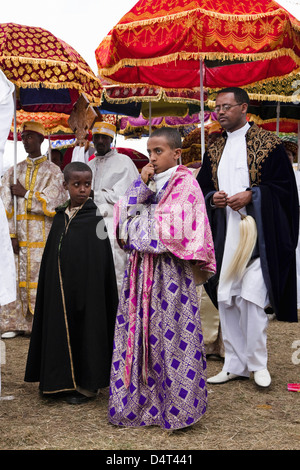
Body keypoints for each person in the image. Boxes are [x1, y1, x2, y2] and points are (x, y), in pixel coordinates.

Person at [108, 127, 216, 430]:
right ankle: (139, 406)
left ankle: (176, 407)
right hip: (139, 274)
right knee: (139, 333)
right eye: (149, 151)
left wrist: (134, 223)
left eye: (159, 151)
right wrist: (140, 188)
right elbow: (120, 219)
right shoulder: (147, 181)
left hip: (170, 277)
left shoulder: (187, 185)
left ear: (177, 153)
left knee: (170, 336)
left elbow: (169, 230)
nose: (152, 158)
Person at [197, 87, 299, 388]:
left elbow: (284, 191)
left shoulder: (270, 144)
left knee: (252, 298)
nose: (220, 112)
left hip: (259, 238)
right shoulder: (214, 149)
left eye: (226, 107)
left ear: (243, 108)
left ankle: (257, 364)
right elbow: (201, 187)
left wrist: (252, 195)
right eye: (217, 107)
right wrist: (210, 197)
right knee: (227, 299)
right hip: (225, 235)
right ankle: (235, 364)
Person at [24, 162, 118, 404]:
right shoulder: (59, 216)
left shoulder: (94, 217)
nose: (83, 190)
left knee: (88, 330)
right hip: (62, 288)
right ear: (65, 185)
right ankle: (61, 381)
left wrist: (92, 285)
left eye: (87, 184)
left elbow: (101, 256)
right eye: (76, 185)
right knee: (60, 327)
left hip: (88, 290)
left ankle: (89, 385)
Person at [0, 121, 67, 338]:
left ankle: (42, 324)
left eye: (30, 136)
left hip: (43, 237)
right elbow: (5, 205)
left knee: (42, 278)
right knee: (17, 276)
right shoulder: (13, 171)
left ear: (41, 139)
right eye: (23, 136)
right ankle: (17, 323)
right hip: (19, 236)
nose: (25, 140)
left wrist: (26, 193)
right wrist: (10, 234)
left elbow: (55, 201)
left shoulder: (54, 171)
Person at [88, 121, 139, 293]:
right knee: (94, 271)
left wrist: (94, 194)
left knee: (116, 271)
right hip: (91, 224)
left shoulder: (124, 162)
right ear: (93, 139)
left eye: (105, 137)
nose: (100, 141)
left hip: (114, 226)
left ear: (112, 139)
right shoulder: (89, 165)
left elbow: (126, 196)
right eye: (97, 137)